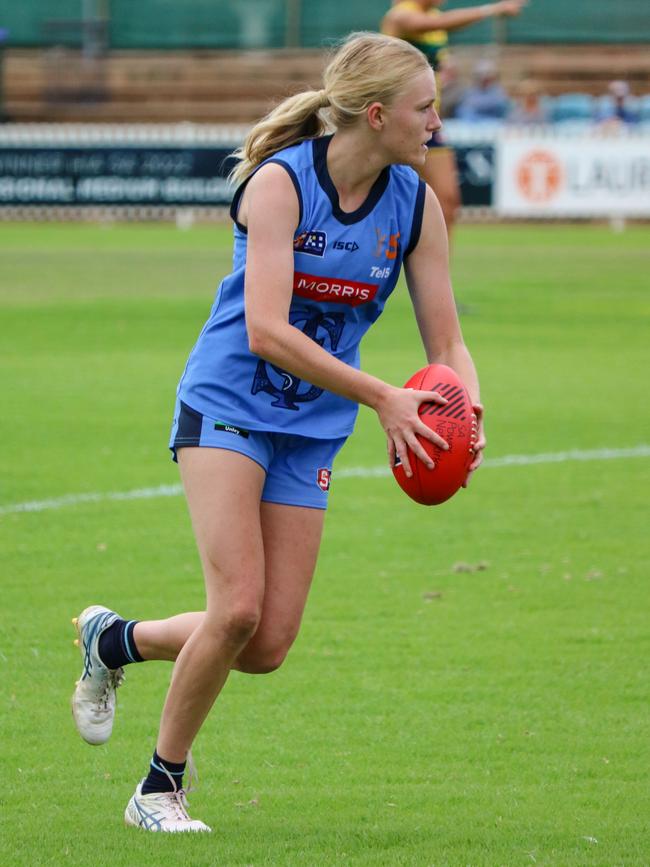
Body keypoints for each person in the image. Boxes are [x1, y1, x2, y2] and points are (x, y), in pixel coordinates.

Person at [70, 31, 486, 834]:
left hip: (310, 428)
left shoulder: (416, 202)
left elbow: (448, 344)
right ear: (376, 114)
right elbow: (263, 328)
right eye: (425, 107)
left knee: (264, 643)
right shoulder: (281, 184)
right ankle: (158, 788)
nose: (437, 122)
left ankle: (114, 641)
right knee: (236, 609)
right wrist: (381, 397)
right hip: (228, 403)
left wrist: (466, 410)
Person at [381, 0, 524, 237]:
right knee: (384, 200)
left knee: (447, 202)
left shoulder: (434, 17)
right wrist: (492, 9)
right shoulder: (401, 15)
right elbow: (438, 23)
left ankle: (436, 272)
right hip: (397, 124)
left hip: (427, 125)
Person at [456, 58, 510, 122]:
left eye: (487, 75)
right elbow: (463, 111)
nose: (484, 78)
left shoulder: (499, 92)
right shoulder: (470, 92)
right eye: (480, 75)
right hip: (473, 127)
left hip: (495, 126)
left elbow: (502, 108)